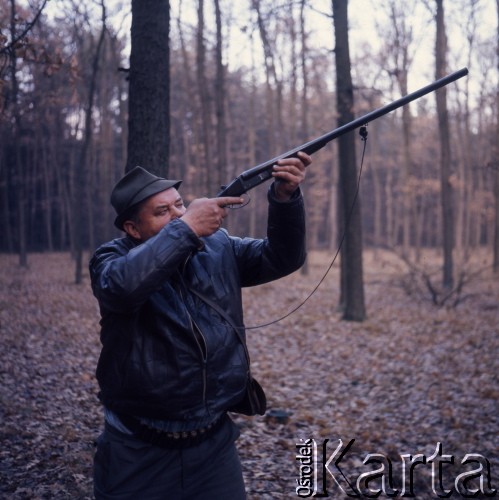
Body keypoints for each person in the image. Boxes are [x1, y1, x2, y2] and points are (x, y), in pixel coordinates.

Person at [89, 151, 311, 499]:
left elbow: (282, 258)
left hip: (213, 447)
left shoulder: (217, 245)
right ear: (132, 228)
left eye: (180, 205)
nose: (179, 215)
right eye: (163, 212)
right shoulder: (110, 259)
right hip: (136, 450)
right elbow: (121, 288)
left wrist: (284, 199)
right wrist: (187, 227)